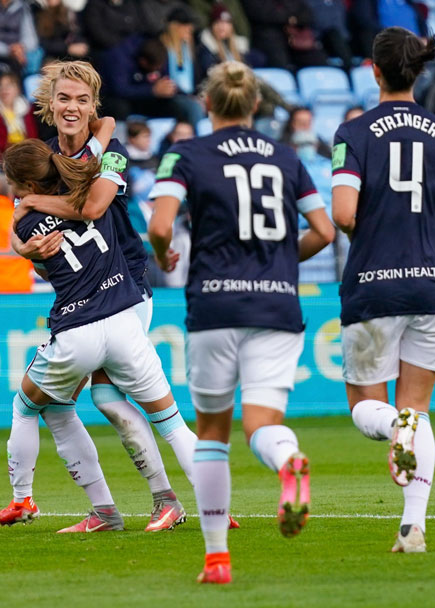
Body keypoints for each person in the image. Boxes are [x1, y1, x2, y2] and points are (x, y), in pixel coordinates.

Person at [147, 60, 335, 584]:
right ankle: (289, 459)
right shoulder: (287, 157)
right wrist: (277, 262)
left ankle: (216, 558)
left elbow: (160, 224)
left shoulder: (184, 154)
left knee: (211, 433)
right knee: (262, 425)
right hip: (277, 304)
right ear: (255, 105)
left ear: (206, 104)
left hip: (215, 304)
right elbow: (323, 229)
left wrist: (164, 255)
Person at [0, 60, 204, 533]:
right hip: (91, 293)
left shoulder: (110, 153)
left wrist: (32, 206)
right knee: (102, 401)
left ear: (94, 107)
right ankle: (134, 507)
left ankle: (159, 501)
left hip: (126, 286)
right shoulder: (42, 157)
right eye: (64, 99)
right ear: (50, 105)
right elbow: (18, 227)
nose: (72, 107)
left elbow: (92, 206)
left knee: (104, 401)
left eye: (82, 100)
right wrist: (24, 245)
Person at [330, 27, 435, 554]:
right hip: (434, 286)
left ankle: (396, 430)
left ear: (374, 69)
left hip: (373, 285)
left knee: (370, 409)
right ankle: (413, 528)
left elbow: (343, 212)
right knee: (418, 411)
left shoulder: (354, 132)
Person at [0, 71, 39, 164]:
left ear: (17, 89)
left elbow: (33, 137)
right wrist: (15, 146)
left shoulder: (26, 109)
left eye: (9, 85)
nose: (4, 89)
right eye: (1, 86)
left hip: (25, 155)